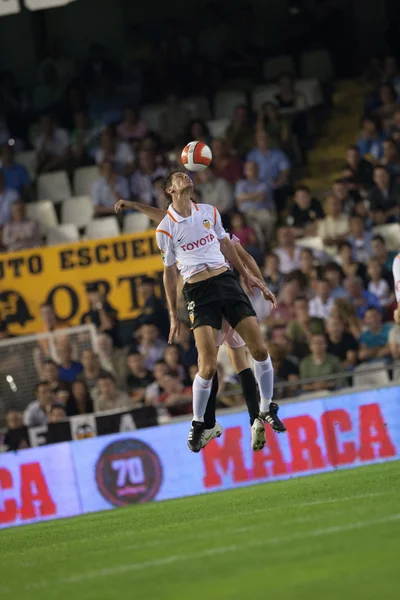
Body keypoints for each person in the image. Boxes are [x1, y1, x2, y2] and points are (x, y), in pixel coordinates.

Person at [116, 186, 284, 453]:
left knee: (234, 360)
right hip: (204, 297)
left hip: (227, 294)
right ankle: (231, 421)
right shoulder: (180, 227)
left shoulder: (218, 230)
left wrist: (260, 284)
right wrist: (135, 205)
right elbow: (164, 217)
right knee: (210, 364)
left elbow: (246, 258)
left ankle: (252, 418)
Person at [133, 276, 169, 340]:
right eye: (142, 286)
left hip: (160, 336)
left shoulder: (154, 302)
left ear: (152, 287)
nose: (143, 289)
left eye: (147, 285)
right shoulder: (147, 303)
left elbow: (148, 320)